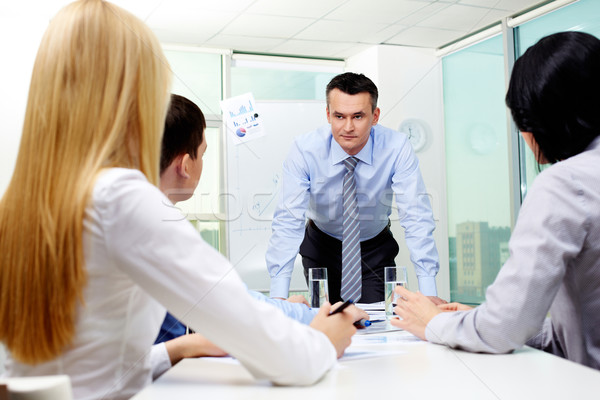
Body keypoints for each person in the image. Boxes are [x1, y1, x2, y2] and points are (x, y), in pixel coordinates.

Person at [0, 2, 360, 399]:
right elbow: (286, 359)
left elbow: (80, 370)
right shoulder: (120, 197)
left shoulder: (24, 201)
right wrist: (325, 339)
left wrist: (177, 349)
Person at [391, 31, 600, 371]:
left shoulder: (564, 184)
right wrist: (477, 320)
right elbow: (584, 327)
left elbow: (502, 332)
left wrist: (433, 323)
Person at [151, 94, 332, 378]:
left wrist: (278, 308)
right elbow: (233, 306)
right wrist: (326, 319)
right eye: (204, 153)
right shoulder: (157, 227)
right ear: (186, 165)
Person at [266, 72, 444, 305]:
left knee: (378, 321)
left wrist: (428, 289)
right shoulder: (304, 150)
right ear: (328, 115)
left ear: (375, 116)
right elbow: (288, 221)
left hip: (374, 249)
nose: (348, 127)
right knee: (328, 320)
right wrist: (278, 296)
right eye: (339, 116)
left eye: (358, 116)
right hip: (321, 246)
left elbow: (416, 216)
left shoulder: (397, 147)